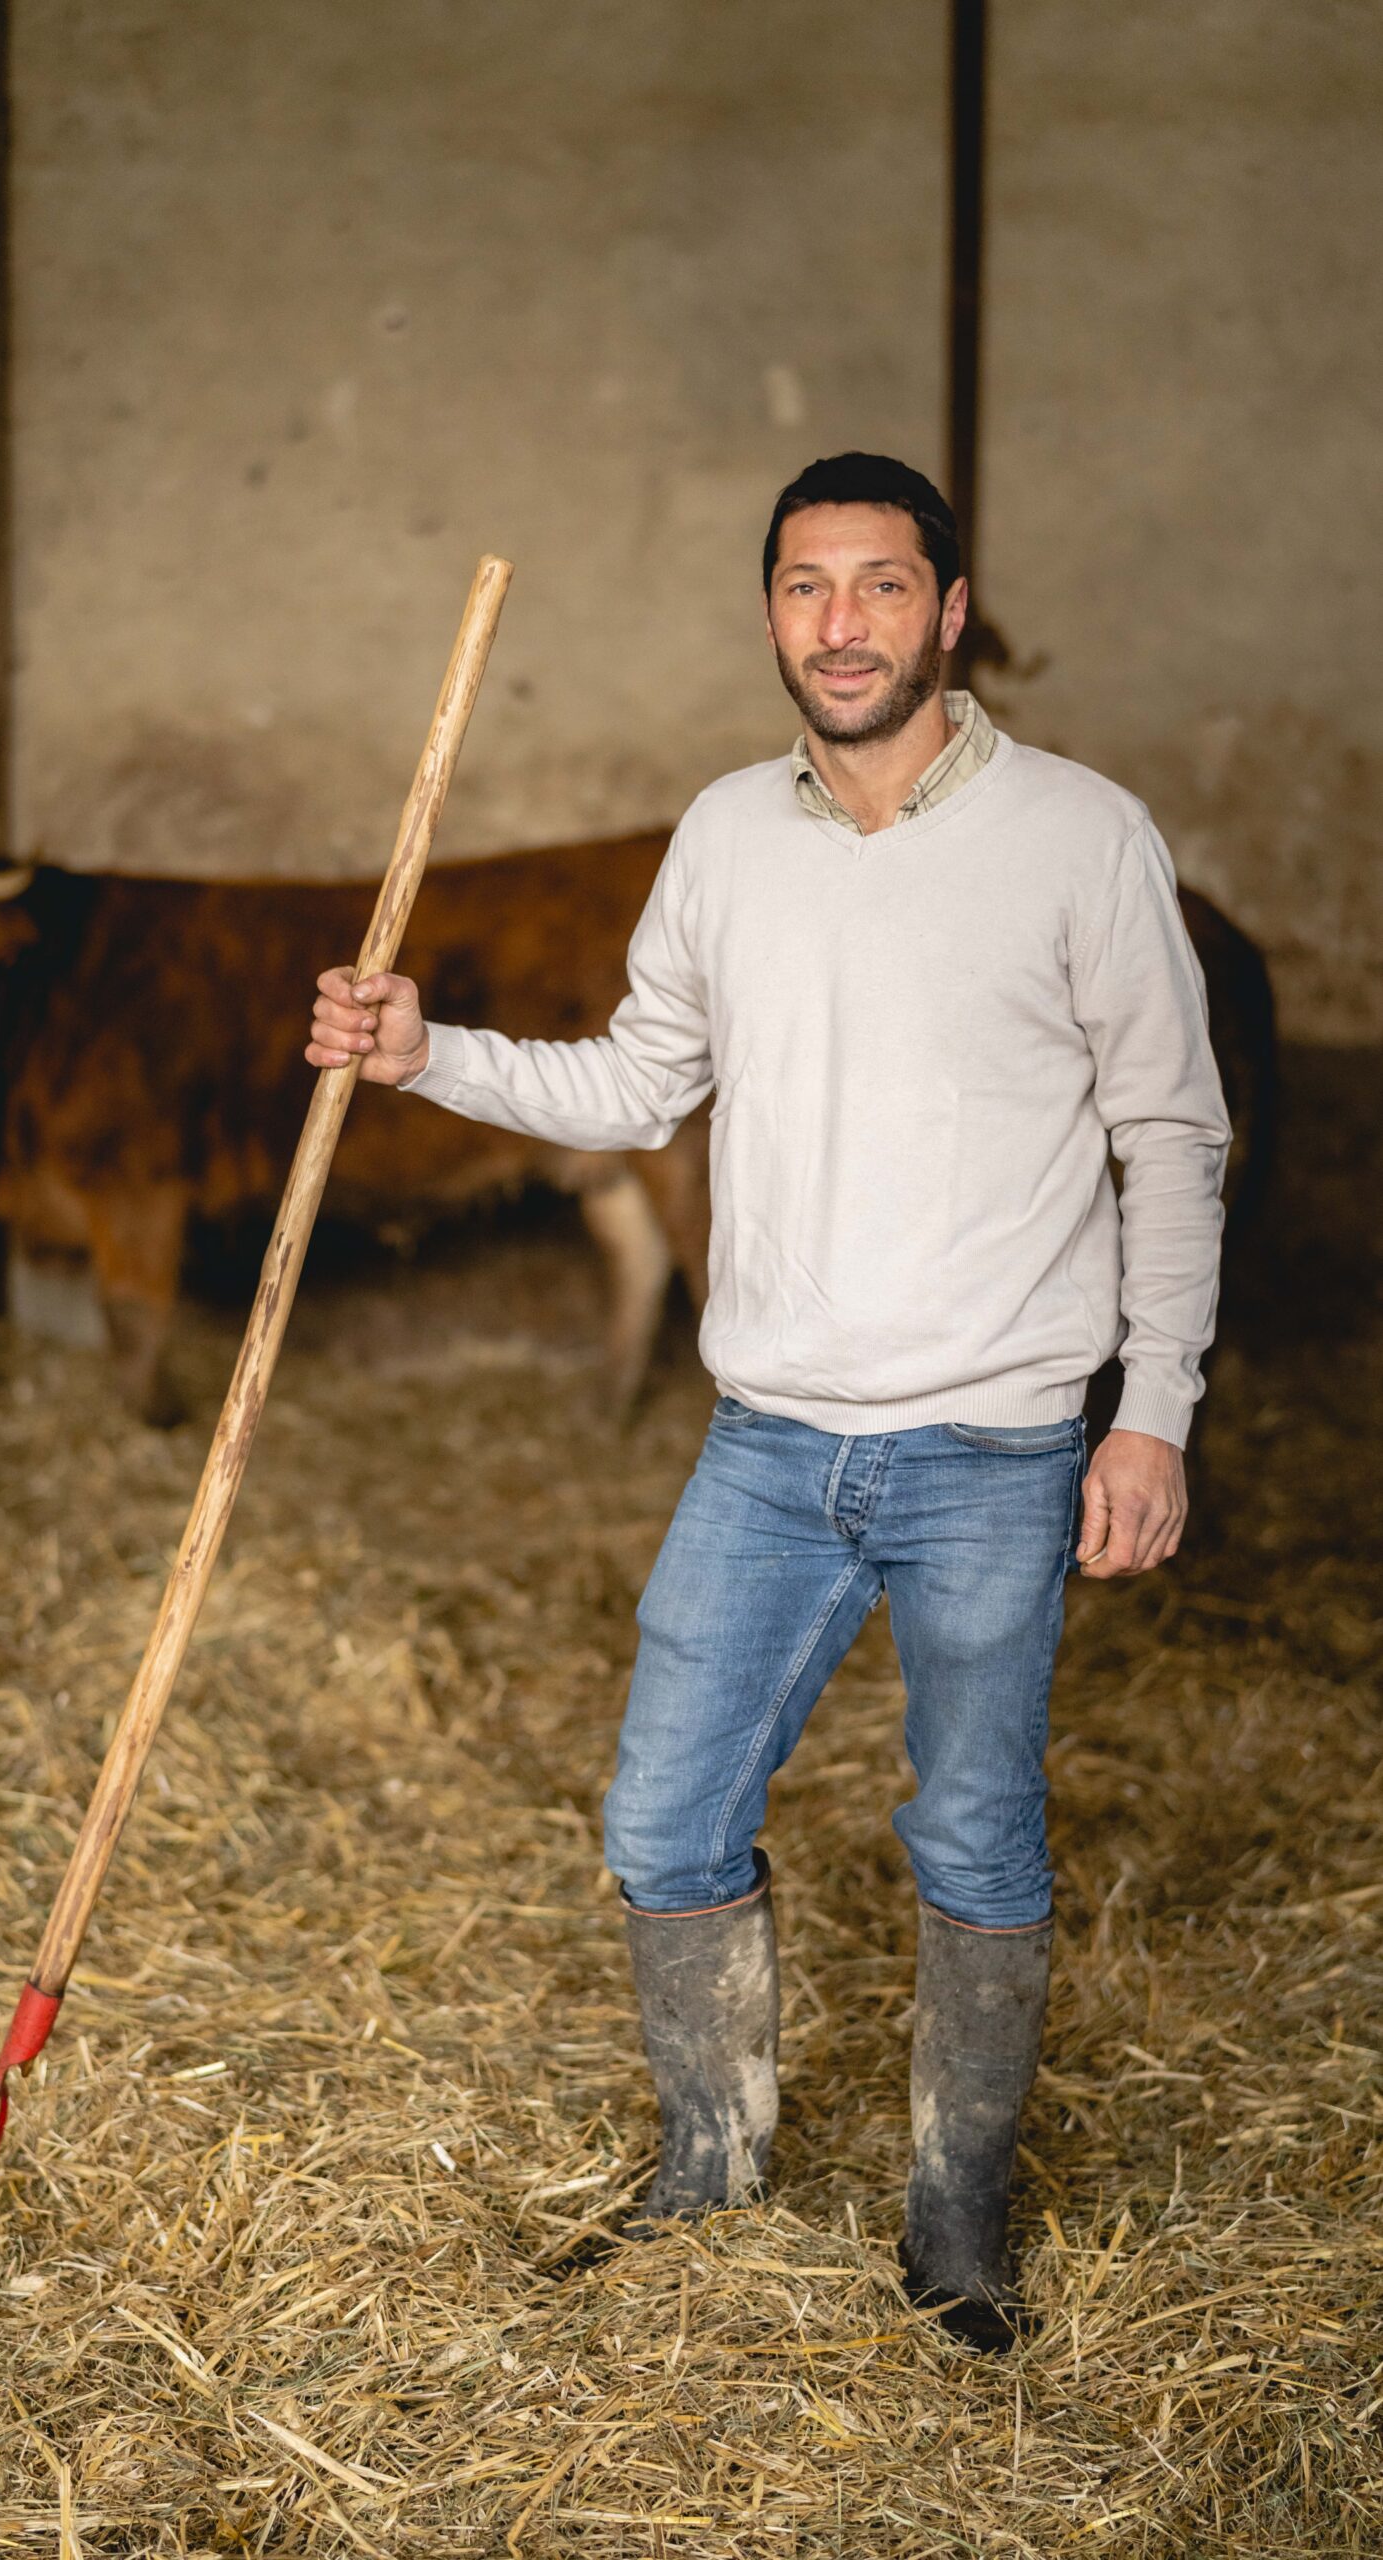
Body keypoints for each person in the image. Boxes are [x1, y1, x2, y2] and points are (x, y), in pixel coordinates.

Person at [305, 452, 1229, 2349]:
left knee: (973, 1832)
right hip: (769, 1442)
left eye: (882, 588)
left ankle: (958, 2221)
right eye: (807, 589)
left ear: (950, 613)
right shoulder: (727, 834)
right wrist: (431, 1057)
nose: (842, 625)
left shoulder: (1081, 834)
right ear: (772, 616)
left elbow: (1172, 1132)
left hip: (995, 1442)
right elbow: (642, 1084)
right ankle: (709, 2165)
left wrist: (1158, 1410)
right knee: (663, 1817)